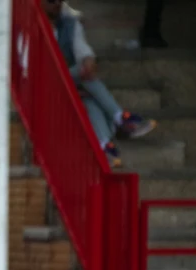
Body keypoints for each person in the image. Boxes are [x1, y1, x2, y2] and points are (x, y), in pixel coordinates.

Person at [42, 0, 157, 167]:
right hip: (44, 85)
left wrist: (89, 61)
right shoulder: (29, 28)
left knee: (90, 100)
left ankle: (105, 145)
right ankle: (119, 118)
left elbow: (83, 50)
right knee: (83, 75)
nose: (57, 5)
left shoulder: (68, 23)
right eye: (51, 2)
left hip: (69, 81)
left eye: (59, 1)